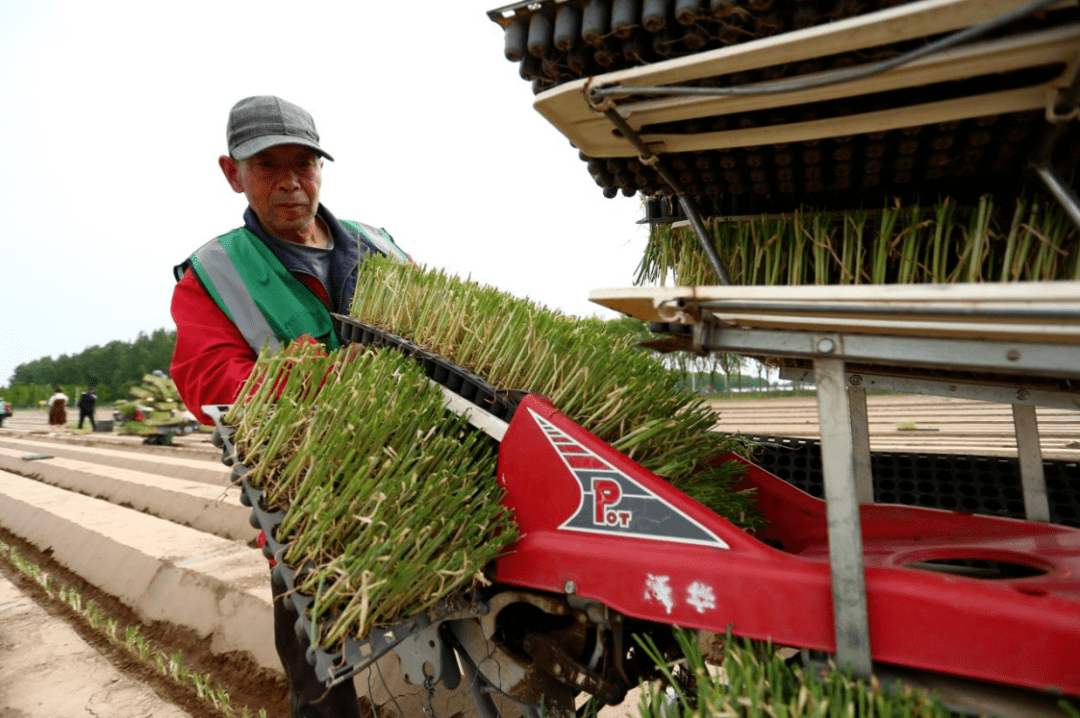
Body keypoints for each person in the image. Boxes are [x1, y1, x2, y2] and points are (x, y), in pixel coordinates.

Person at [170, 95, 409, 718]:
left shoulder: (377, 245)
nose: (289, 182)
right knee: (319, 669)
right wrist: (311, 378)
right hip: (307, 500)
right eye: (266, 166)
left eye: (302, 163)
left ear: (322, 167)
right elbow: (206, 380)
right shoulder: (216, 271)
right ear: (233, 173)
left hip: (415, 476)